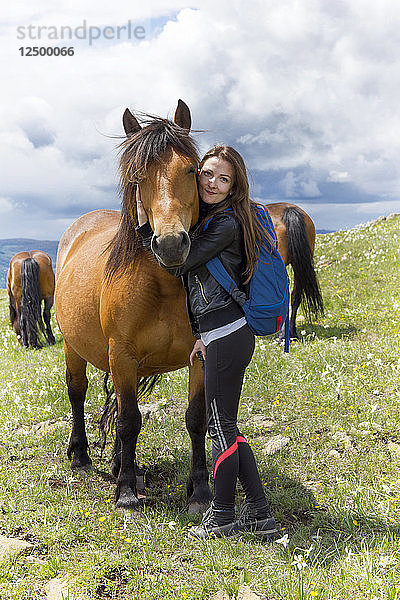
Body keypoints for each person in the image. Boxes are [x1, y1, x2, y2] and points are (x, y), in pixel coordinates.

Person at [136, 145, 277, 540]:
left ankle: (222, 515)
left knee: (220, 430)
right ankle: (260, 513)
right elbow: (202, 289)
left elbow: (178, 261)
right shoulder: (216, 220)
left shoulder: (227, 224)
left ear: (235, 187)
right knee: (227, 428)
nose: (213, 184)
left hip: (230, 337)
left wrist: (146, 224)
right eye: (208, 175)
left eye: (223, 178)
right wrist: (200, 335)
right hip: (219, 337)